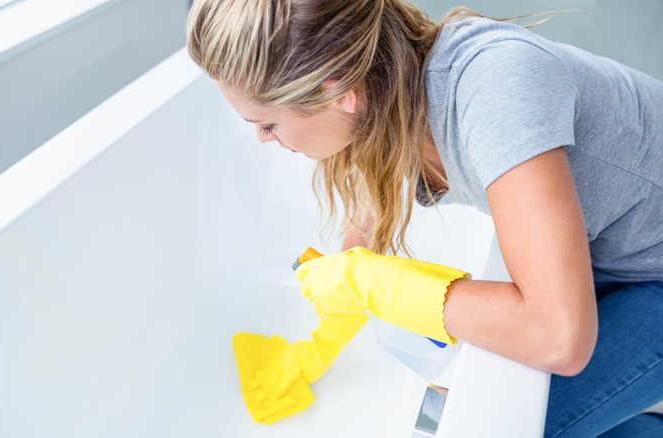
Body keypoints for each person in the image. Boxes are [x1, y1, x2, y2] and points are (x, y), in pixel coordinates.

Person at [186, 0, 663, 436]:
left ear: (339, 91)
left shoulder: (494, 89)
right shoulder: (391, 95)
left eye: (267, 123)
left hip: (654, 274)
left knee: (499, 426)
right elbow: (363, 237)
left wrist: (370, 281)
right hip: (613, 249)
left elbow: (558, 336)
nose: (264, 140)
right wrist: (317, 344)